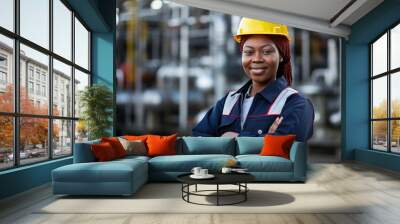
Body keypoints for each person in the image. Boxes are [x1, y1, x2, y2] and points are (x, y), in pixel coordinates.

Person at [192, 18, 314, 142]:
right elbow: (198, 141)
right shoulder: (228, 102)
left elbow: (280, 147)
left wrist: (232, 139)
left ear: (281, 55)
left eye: (266, 51)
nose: (256, 59)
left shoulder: (296, 104)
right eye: (249, 52)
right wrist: (263, 139)